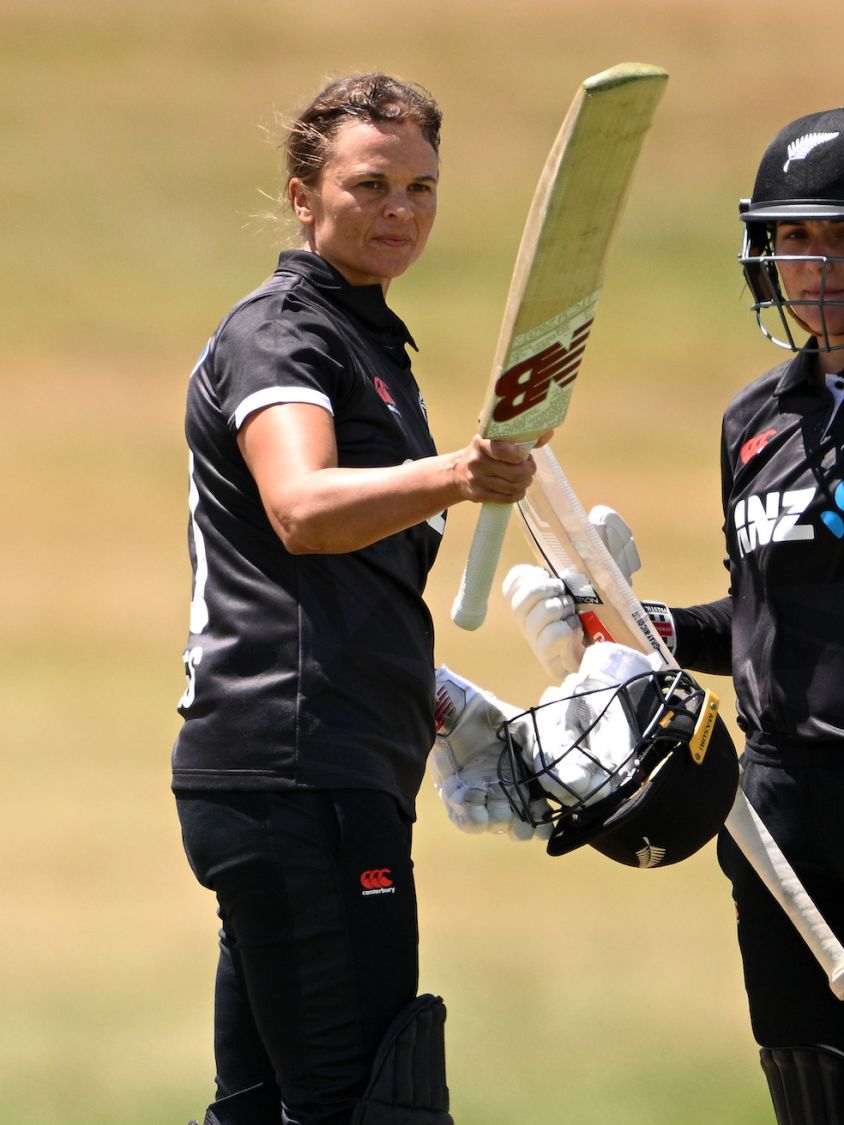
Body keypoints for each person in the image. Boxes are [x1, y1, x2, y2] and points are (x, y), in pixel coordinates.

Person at [506, 108, 844, 1124]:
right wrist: (637, 630)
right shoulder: (755, 421)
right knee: (820, 1101)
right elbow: (761, 618)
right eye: (794, 240)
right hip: (780, 809)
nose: (815, 267)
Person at [172, 73, 544, 1125]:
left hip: (310, 772)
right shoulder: (285, 332)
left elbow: (337, 581)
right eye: (370, 184)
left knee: (263, 1111)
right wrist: (456, 476)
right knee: (369, 1109)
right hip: (298, 778)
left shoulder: (370, 342)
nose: (400, 212)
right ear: (302, 195)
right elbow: (301, 509)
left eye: (422, 188)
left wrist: (420, 691)